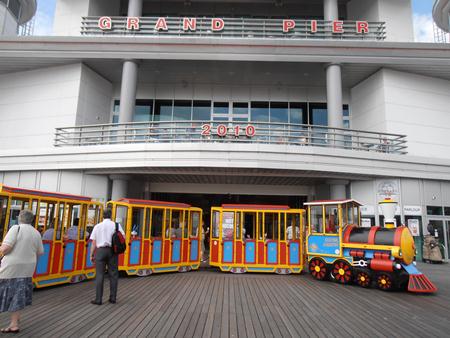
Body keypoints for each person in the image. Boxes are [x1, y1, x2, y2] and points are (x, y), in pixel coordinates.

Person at [0, 210, 44, 333]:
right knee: (18, 296)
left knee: (4, 292)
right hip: (27, 269)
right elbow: (40, 252)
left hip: (10, 268)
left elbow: (6, 248)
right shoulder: (36, 232)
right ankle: (14, 324)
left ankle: (14, 324)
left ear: (20, 218)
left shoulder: (16, 228)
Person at [89, 208, 124, 305]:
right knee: (113, 274)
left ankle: (98, 299)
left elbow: (93, 242)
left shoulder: (97, 226)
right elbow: (123, 237)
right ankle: (113, 298)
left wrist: (91, 254)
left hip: (100, 251)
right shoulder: (116, 225)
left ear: (102, 216)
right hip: (113, 251)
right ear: (111, 215)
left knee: (100, 275)